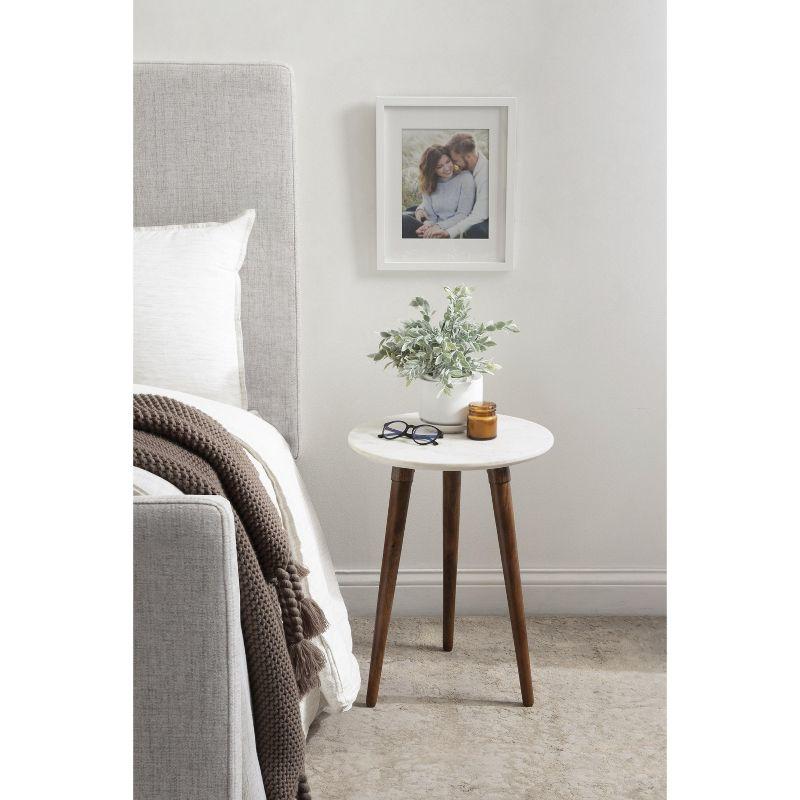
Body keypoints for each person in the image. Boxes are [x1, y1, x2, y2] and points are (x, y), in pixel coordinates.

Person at [419, 133, 489, 239]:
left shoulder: (485, 177)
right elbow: (430, 202)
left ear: (469, 157)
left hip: (479, 221)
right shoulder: (468, 168)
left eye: (454, 161)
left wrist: (447, 232)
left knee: (477, 231)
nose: (452, 166)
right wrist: (422, 214)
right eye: (440, 166)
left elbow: (477, 215)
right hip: (444, 220)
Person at [402, 146, 475, 238]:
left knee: (405, 220)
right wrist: (427, 226)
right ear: (432, 169)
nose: (447, 168)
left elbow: (463, 214)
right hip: (433, 228)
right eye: (439, 166)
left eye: (448, 162)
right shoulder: (428, 183)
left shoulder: (465, 178)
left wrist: (438, 227)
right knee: (401, 220)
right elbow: (431, 216)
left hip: (451, 230)